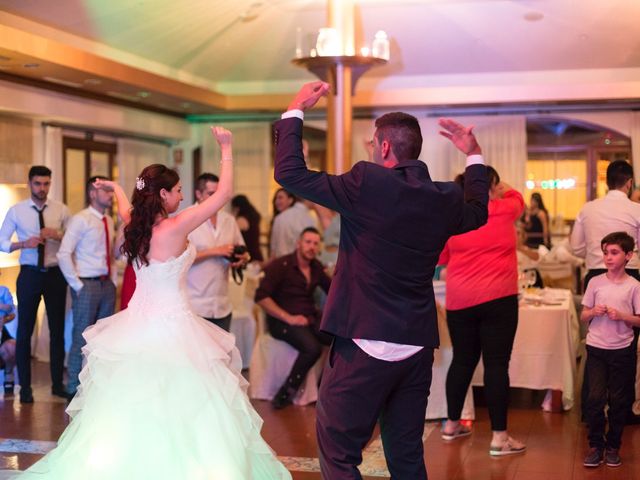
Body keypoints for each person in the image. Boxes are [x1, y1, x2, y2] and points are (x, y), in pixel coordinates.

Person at [14, 128, 291, 480]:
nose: (181, 196)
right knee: (185, 404)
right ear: (162, 194)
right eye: (177, 191)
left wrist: (115, 189)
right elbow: (222, 194)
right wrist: (226, 148)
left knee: (134, 403)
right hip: (174, 328)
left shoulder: (138, 227)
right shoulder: (174, 227)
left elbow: (129, 208)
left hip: (137, 325)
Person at [274, 81, 489, 479]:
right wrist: (474, 155)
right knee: (406, 456)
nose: (371, 150)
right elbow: (478, 212)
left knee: (339, 453)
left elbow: (289, 173)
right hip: (416, 345)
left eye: (373, 143)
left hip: (364, 341)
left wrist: (295, 110)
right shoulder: (442, 198)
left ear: (385, 148)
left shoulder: (366, 183)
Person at [438, 167, 527, 456]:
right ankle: (499, 438)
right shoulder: (502, 209)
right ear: (492, 185)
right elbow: (518, 197)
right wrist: (497, 188)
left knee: (463, 360)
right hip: (499, 297)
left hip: (460, 300)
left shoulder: (453, 217)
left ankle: (451, 424)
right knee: (497, 364)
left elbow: (441, 258)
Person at [570, 159, 640, 422]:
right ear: (629, 182)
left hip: (595, 276)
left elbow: (575, 248)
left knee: (595, 344)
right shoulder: (636, 209)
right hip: (627, 276)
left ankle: (591, 411)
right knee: (627, 345)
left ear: (606, 182)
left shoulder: (588, 208)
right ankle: (623, 410)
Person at [0, 165, 70, 403]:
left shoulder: (61, 210)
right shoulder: (17, 211)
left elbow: (74, 238)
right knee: (24, 330)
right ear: (30, 183)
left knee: (57, 330)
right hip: (29, 274)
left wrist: (57, 235)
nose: (42, 188)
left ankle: (57, 385)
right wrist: (23, 244)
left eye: (46, 184)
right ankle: (26, 388)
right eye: (38, 184)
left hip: (54, 273)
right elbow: (1, 241)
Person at [255, 227, 332, 409]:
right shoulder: (281, 266)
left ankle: (324, 390)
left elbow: (333, 291)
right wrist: (288, 317)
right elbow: (261, 297)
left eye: (315, 243)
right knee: (312, 348)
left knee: (338, 339)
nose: (311, 247)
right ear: (298, 243)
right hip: (282, 321)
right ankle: (285, 393)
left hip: (308, 319)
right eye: (308, 242)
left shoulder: (316, 267)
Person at [580, 232, 640, 468]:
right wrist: (593, 312)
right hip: (596, 348)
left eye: (614, 252)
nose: (608, 257)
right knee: (594, 398)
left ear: (628, 255)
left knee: (618, 400)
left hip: (622, 350)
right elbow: (583, 314)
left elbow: (638, 319)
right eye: (605, 252)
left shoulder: (634, 286)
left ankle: (613, 446)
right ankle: (596, 445)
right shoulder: (595, 282)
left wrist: (622, 316)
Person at [56, 176, 117, 398]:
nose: (111, 195)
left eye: (112, 191)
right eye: (107, 191)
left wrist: (113, 280)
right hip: (87, 284)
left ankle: (96, 385)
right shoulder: (81, 219)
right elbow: (63, 253)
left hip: (106, 284)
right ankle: (73, 386)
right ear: (93, 193)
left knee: (103, 339)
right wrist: (77, 285)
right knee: (81, 336)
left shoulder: (108, 221)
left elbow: (110, 254)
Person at [186, 173, 249, 332]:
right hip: (194, 306)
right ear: (198, 194)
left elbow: (243, 251)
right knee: (198, 357)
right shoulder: (186, 219)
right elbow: (181, 258)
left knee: (222, 356)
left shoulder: (229, 220)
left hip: (222, 305)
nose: (217, 199)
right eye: (211, 194)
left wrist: (242, 259)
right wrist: (215, 251)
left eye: (219, 194)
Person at [269, 188, 315, 259]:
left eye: (280, 198)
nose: (277, 201)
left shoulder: (280, 218)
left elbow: (274, 251)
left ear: (290, 200)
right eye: (276, 198)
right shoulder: (309, 219)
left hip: (281, 263)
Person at [231, 194, 264, 263]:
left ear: (237, 207)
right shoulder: (253, 217)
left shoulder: (242, 220)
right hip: (257, 255)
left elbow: (231, 236)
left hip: (249, 257)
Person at [1, 279, 17, 396]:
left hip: (1, 330)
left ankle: (9, 374)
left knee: (12, 347)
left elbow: (11, 311)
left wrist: (4, 319)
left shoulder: (3, 291)